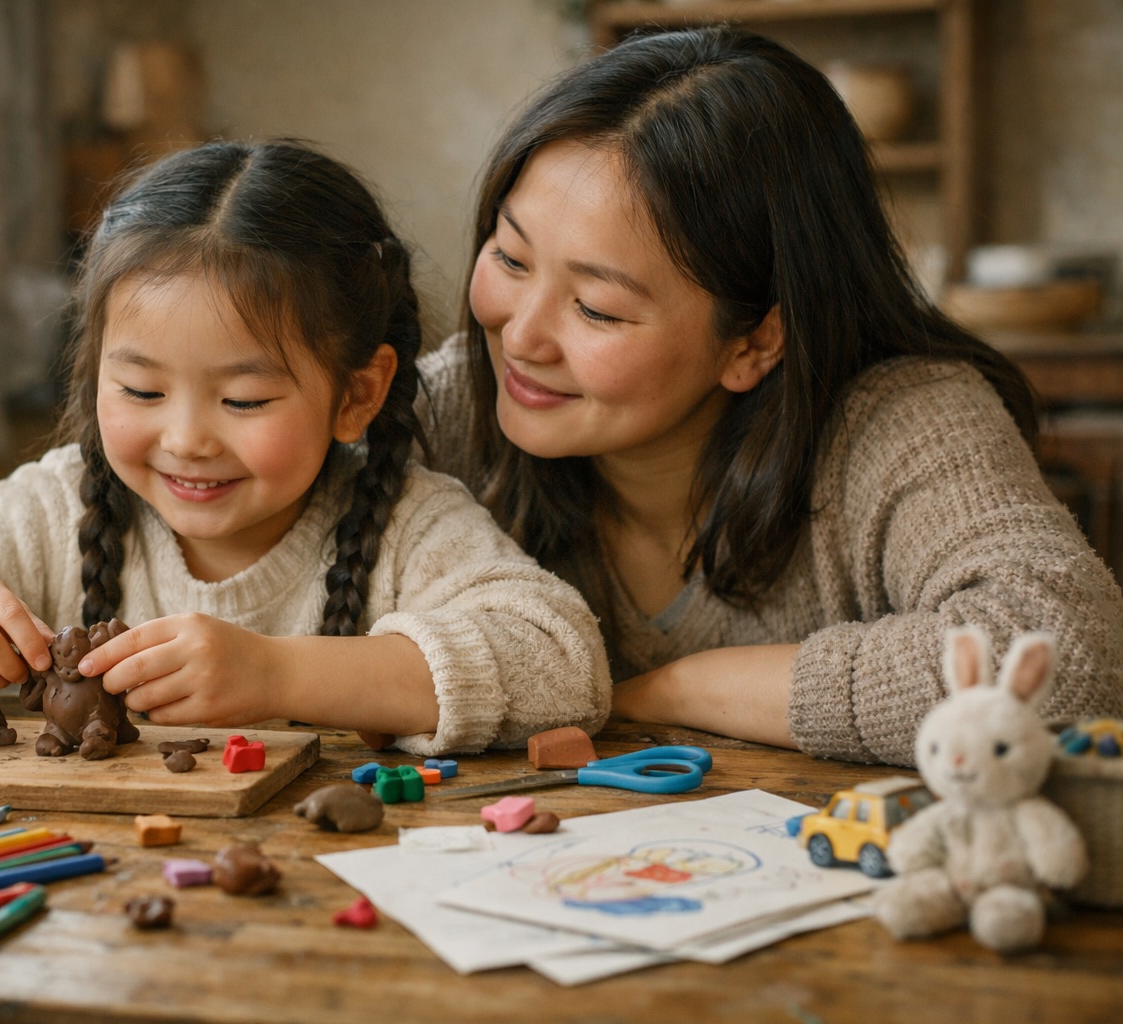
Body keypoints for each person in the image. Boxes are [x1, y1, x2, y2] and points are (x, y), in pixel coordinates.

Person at [0, 141, 611, 756]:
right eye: (141, 390)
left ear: (356, 394)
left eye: (243, 400)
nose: (186, 440)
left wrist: (278, 675)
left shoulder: (408, 523)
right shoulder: (54, 510)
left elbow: (564, 667)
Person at [418, 27, 1123, 766]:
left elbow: (1066, 654)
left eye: (596, 309)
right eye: (510, 257)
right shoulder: (456, 402)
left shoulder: (902, 419)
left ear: (754, 341)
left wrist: (663, 691)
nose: (520, 336)